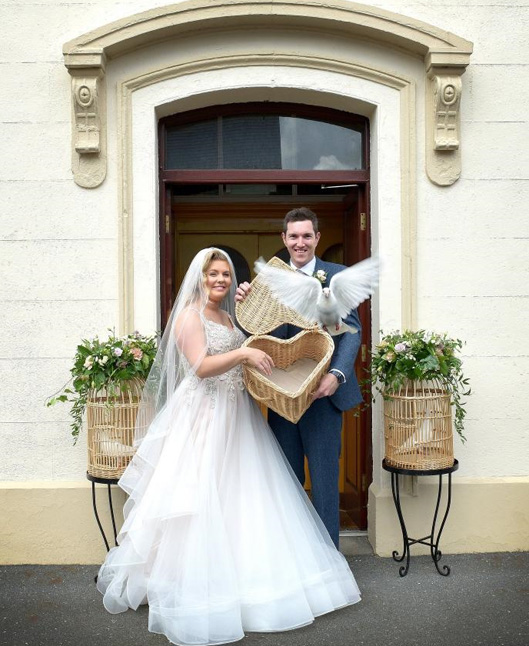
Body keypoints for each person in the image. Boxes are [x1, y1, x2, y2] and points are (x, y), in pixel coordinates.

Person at [97, 248, 360, 646]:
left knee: (245, 493)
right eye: (213, 274)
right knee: (203, 490)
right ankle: (186, 580)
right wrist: (242, 353)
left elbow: (259, 335)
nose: (220, 280)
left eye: (225, 274)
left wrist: (254, 313)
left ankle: (250, 574)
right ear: (200, 277)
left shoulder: (226, 315)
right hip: (206, 415)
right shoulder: (190, 315)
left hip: (238, 413)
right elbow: (201, 366)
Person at [236, 208, 363, 548]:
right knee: (287, 482)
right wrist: (243, 306)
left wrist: (337, 375)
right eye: (293, 236)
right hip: (282, 396)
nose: (300, 242)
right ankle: (292, 562)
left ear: (317, 238)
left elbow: (352, 332)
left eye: (307, 235)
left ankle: (329, 563)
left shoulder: (336, 276)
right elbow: (256, 332)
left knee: (324, 482)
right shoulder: (269, 284)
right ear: (284, 239)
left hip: (323, 396)